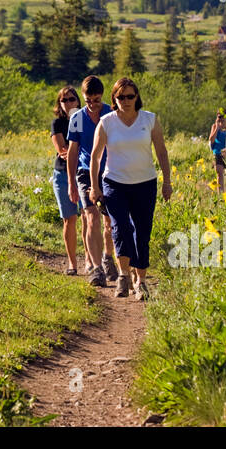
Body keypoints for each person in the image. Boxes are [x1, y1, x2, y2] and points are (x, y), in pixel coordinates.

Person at [90, 77, 172, 300]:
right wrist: (95, 187)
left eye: (130, 96)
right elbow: (96, 157)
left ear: (137, 97)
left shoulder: (150, 120)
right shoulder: (106, 122)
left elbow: (162, 152)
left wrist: (167, 182)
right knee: (121, 227)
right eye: (120, 97)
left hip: (145, 183)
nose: (125, 100)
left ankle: (141, 281)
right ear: (114, 99)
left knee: (142, 232)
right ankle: (123, 276)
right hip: (115, 183)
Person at [65, 76, 119, 287]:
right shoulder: (77, 118)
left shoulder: (112, 114)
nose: (93, 105)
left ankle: (107, 256)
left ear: (102, 97)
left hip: (110, 171)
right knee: (91, 217)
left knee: (109, 222)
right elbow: (72, 151)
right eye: (88, 100)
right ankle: (96, 269)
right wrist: (71, 183)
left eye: (96, 100)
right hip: (86, 172)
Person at [50, 86, 83, 274]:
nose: (68, 103)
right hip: (62, 174)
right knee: (69, 219)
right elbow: (62, 150)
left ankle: (92, 260)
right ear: (59, 104)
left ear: (78, 101)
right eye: (64, 100)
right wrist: (80, 151)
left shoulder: (84, 120)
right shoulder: (58, 123)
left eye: (71, 99)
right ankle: (72, 263)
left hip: (85, 173)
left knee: (88, 216)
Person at [209, 110, 226, 194]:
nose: (221, 119)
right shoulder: (214, 126)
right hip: (218, 153)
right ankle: (220, 195)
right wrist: (217, 129)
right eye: (219, 117)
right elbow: (211, 139)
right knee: (219, 174)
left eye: (222, 117)